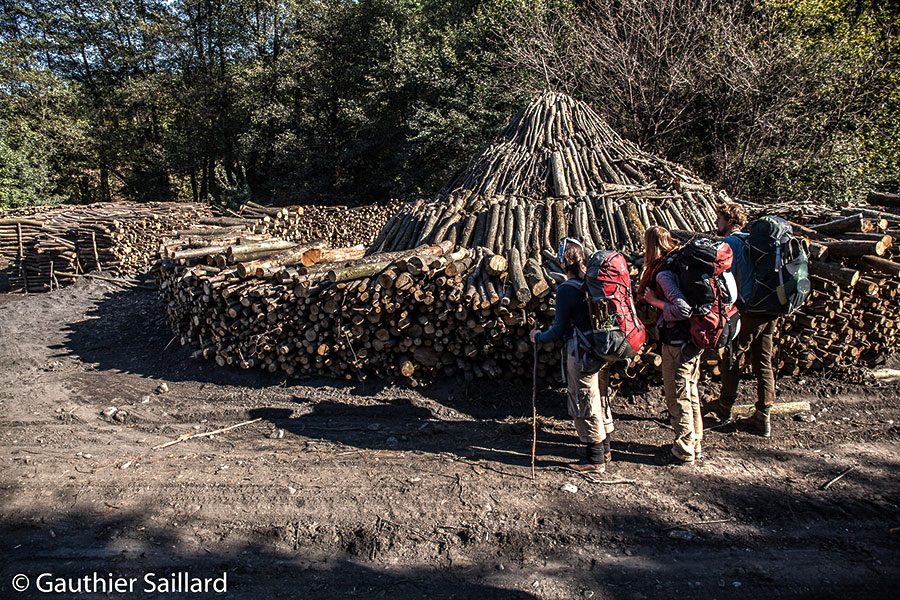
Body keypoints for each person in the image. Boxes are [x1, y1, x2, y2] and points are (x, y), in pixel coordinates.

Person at [530, 237, 613, 473]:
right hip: (600, 348)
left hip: (582, 352)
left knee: (584, 399)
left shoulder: (567, 289)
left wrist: (538, 337)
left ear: (561, 262)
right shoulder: (591, 283)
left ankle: (594, 458)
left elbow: (560, 330)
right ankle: (605, 446)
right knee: (600, 397)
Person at [704, 202, 775, 437]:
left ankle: (724, 406)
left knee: (732, 355)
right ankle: (763, 415)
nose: (716, 223)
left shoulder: (731, 244)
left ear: (730, 220)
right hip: (769, 307)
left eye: (719, 218)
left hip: (746, 309)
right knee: (763, 361)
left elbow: (724, 276)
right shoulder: (753, 241)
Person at [639, 226, 702, 466]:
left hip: (677, 341)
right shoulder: (678, 263)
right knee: (691, 392)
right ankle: (695, 441)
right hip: (691, 340)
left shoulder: (664, 274)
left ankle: (685, 448)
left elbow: (683, 309)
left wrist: (654, 301)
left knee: (678, 395)